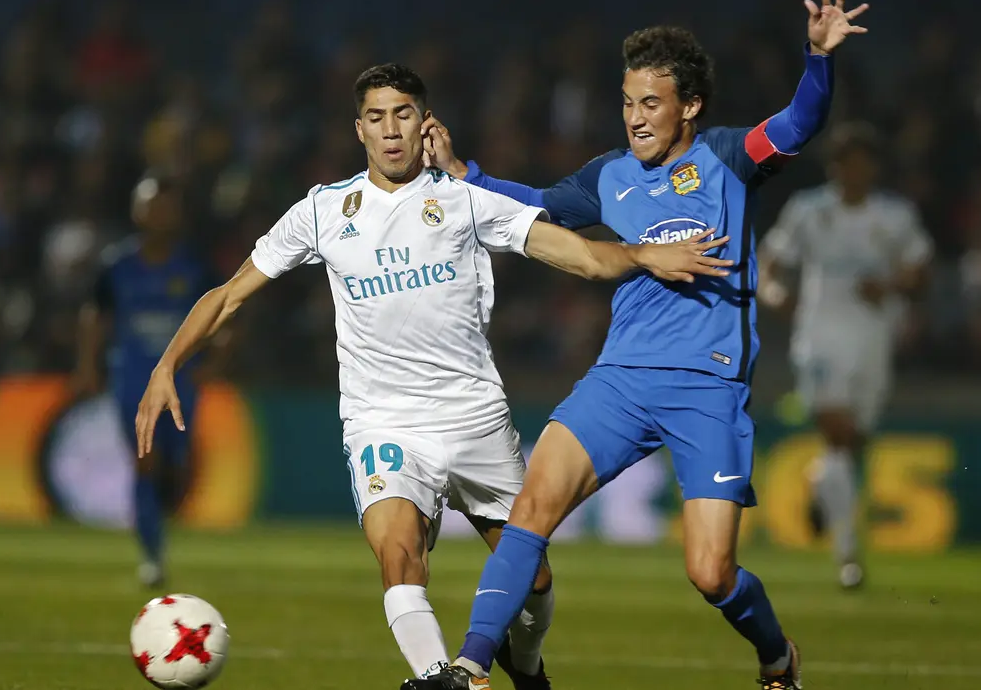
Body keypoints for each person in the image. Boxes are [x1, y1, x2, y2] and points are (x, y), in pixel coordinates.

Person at [133, 63, 734, 687]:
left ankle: (527, 671)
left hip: (473, 416)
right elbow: (229, 294)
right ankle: (438, 678)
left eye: (402, 114)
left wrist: (643, 254)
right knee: (400, 556)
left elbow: (578, 255)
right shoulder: (323, 211)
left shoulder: (466, 202)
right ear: (358, 129)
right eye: (376, 117)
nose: (390, 130)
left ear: (425, 123)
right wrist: (167, 363)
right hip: (383, 420)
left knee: (533, 580)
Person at [405, 0, 867, 688]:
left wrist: (816, 58)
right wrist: (467, 175)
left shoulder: (729, 158)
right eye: (626, 103)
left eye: (650, 103)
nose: (634, 118)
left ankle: (777, 659)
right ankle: (469, 668)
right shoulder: (610, 177)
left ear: (689, 106)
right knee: (532, 508)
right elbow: (537, 206)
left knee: (709, 572)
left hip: (707, 387)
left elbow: (798, 124)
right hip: (619, 378)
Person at [758, 121, 932, 589]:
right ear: (834, 167)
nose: (852, 170)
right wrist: (773, 293)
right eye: (844, 161)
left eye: (860, 161)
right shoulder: (809, 211)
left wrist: (892, 284)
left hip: (874, 340)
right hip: (819, 337)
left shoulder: (893, 217)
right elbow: (770, 263)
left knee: (853, 442)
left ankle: (820, 482)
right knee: (838, 433)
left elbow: (920, 271)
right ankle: (847, 553)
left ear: (871, 167)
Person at [74, 169, 218, 588]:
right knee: (145, 463)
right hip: (133, 380)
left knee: (173, 469)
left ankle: (158, 529)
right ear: (137, 211)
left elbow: (223, 314)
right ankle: (152, 557)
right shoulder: (116, 266)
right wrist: (88, 365)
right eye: (150, 205)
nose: (157, 214)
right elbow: (95, 316)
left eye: (165, 206)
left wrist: (218, 359)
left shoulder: (193, 267)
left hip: (182, 382)